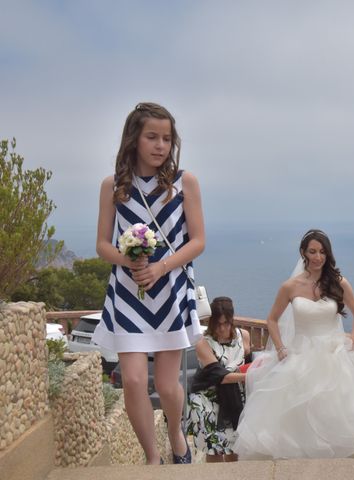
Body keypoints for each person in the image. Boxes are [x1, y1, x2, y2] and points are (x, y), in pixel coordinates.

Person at [233, 229, 354, 459]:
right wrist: (280, 348)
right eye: (312, 251)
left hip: (334, 353)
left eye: (322, 252)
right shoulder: (290, 287)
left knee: (343, 414)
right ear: (304, 253)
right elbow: (272, 320)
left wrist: (351, 341)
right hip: (299, 355)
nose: (318, 257)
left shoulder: (338, 282)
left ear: (328, 254)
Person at [92, 102, 205, 465]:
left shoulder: (184, 182)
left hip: (170, 292)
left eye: (167, 138)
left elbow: (198, 241)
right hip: (128, 294)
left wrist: (161, 268)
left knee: (169, 386)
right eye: (152, 137)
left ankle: (176, 435)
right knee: (135, 381)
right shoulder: (113, 186)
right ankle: (153, 459)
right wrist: (129, 260)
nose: (160, 145)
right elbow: (102, 245)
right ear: (134, 139)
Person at [187, 297, 248, 463]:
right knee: (215, 450)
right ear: (212, 322)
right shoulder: (203, 343)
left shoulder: (244, 337)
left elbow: (247, 362)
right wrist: (249, 376)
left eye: (226, 323)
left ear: (232, 320)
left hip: (235, 397)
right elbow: (222, 377)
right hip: (208, 400)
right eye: (218, 324)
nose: (222, 329)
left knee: (234, 448)